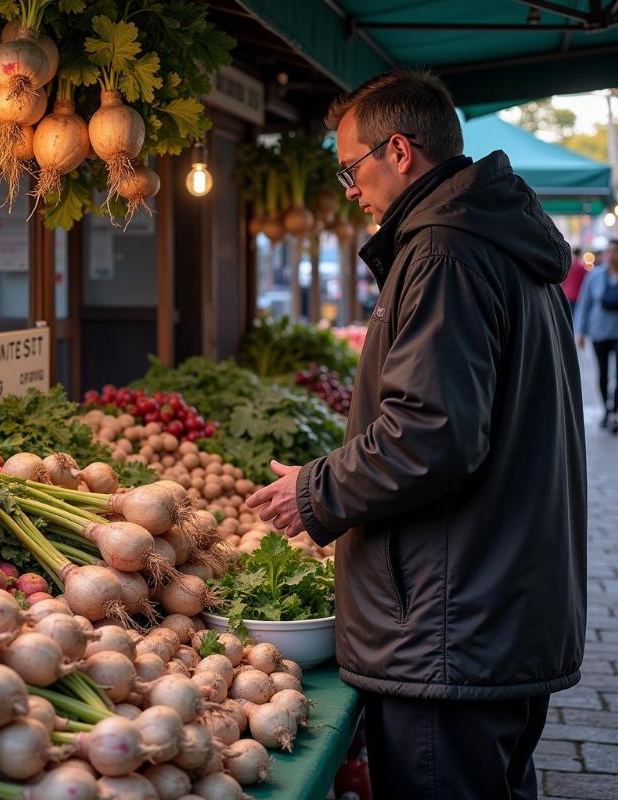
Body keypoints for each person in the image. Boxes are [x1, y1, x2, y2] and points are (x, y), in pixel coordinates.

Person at [247, 69, 586, 799]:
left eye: (350, 167)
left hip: (449, 628)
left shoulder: (443, 254)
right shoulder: (499, 241)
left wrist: (314, 489)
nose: (348, 188)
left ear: (398, 151)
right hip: (497, 609)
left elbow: (432, 435)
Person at [574, 238, 618, 431]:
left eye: (616, 251)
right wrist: (580, 331)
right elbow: (585, 303)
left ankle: (616, 411)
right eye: (610, 251)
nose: (613, 255)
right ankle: (606, 411)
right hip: (599, 331)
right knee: (603, 374)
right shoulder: (595, 276)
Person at [561, 246, 587, 312]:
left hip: (566, 294)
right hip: (577, 296)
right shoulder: (581, 267)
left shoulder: (568, 264)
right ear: (580, 254)